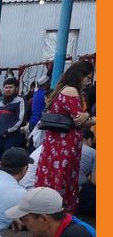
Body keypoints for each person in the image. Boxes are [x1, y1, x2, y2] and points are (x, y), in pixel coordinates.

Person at [35, 60, 95, 213]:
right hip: (64, 145)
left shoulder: (62, 89)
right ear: (80, 75)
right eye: (88, 77)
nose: (88, 81)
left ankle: (49, 214)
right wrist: (93, 117)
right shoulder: (71, 91)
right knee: (61, 179)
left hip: (57, 143)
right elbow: (79, 119)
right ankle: (56, 216)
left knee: (55, 178)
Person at [0, 77, 26, 159]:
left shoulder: (20, 101)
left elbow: (20, 119)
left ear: (16, 88)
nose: (7, 90)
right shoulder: (1, 102)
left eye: (10, 87)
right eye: (6, 87)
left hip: (11, 138)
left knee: (8, 161)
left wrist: (7, 130)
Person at [77, 129, 96, 216]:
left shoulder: (68, 147)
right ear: (89, 139)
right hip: (78, 192)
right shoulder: (93, 152)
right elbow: (94, 180)